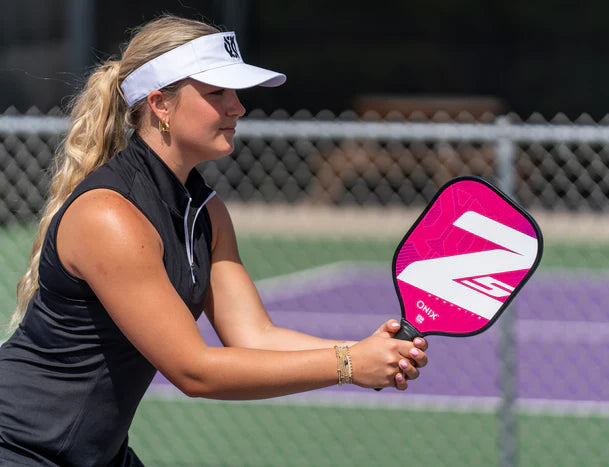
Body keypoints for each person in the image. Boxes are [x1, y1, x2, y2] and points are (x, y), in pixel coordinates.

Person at [0, 15, 428, 466]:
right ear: (160, 105)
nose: (238, 108)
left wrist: (365, 352)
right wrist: (348, 364)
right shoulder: (110, 217)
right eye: (216, 93)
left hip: (94, 454)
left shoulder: (207, 212)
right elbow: (194, 371)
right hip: (21, 447)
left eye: (235, 93)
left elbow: (254, 336)